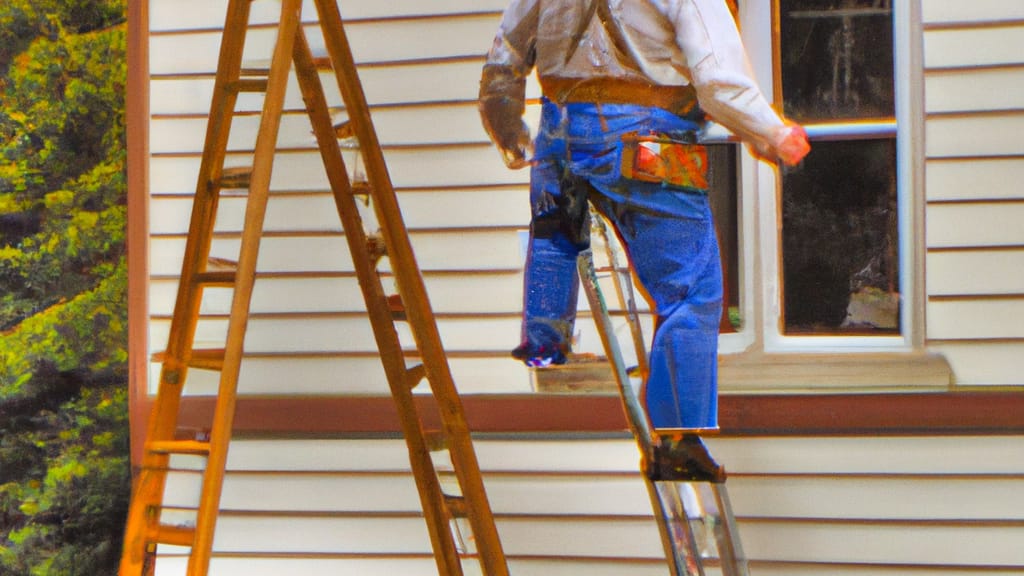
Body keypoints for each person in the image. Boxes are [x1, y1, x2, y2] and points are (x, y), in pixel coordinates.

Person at [479, 0, 809, 480]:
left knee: (555, 233)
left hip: (559, 140)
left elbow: (502, 62)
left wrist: (512, 136)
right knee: (691, 289)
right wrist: (774, 134)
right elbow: (718, 83)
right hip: (645, 141)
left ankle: (544, 343)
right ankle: (679, 438)